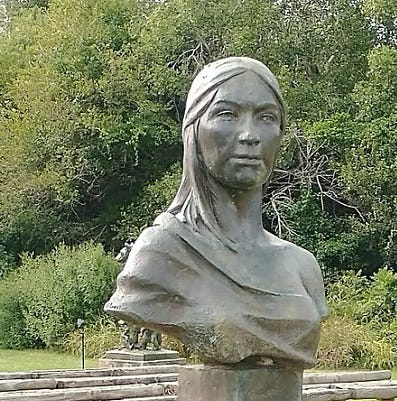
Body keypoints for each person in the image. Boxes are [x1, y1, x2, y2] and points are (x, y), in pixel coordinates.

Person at [105, 57, 328, 369]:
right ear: (194, 130)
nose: (250, 135)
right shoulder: (159, 255)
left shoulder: (302, 266)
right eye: (227, 114)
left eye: (266, 117)